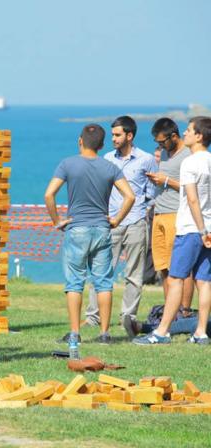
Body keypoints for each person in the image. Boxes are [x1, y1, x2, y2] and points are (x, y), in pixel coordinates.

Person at [45, 124, 134, 357]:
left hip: (76, 229)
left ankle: (75, 332)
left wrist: (57, 221)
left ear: (80, 141)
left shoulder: (67, 164)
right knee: (103, 282)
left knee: (75, 283)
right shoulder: (110, 167)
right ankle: (104, 333)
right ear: (102, 145)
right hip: (102, 229)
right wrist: (116, 219)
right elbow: (130, 196)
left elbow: (49, 194)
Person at [134, 116, 211, 345]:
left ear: (199, 136)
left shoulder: (190, 162)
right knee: (204, 282)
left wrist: (200, 230)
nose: (185, 133)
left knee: (176, 278)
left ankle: (162, 332)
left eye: (189, 130)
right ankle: (200, 332)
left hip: (191, 228)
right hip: (207, 227)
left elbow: (192, 199)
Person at [83, 116, 157, 342]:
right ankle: (93, 317)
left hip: (136, 222)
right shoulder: (106, 159)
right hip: (111, 222)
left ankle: (128, 316)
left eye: (117, 135)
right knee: (102, 271)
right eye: (113, 134)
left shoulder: (146, 160)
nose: (113, 138)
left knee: (134, 274)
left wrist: (143, 211)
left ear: (129, 136)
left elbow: (151, 192)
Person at [127, 118, 194, 336]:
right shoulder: (164, 153)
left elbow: (193, 188)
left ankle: (184, 312)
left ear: (174, 136)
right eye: (157, 142)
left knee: (182, 268)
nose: (160, 146)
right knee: (163, 267)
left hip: (177, 214)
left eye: (163, 141)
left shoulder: (189, 155)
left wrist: (166, 181)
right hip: (159, 213)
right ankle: (170, 312)